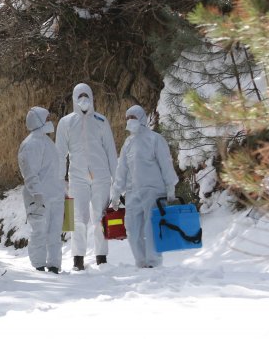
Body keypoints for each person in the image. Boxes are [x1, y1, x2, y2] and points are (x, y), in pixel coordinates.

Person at [55, 83, 118, 270]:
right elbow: (60, 154)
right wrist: (59, 180)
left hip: (101, 176)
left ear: (91, 97)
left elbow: (111, 152)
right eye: (80, 96)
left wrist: (117, 181)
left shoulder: (101, 121)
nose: (83, 99)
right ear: (74, 99)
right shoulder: (66, 122)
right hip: (77, 177)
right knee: (78, 219)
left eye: (86, 96)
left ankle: (101, 258)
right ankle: (78, 260)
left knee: (100, 217)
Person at [110, 105, 178, 268]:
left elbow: (166, 164)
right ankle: (141, 262)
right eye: (127, 118)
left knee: (151, 228)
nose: (129, 121)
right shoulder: (128, 143)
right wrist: (116, 192)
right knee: (132, 229)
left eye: (133, 117)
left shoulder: (155, 139)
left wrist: (170, 187)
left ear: (141, 118)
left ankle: (153, 263)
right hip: (132, 192)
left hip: (154, 191)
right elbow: (122, 169)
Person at [18, 106, 65, 273]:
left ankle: (54, 265)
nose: (49, 121)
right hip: (39, 197)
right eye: (47, 118)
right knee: (39, 231)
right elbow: (30, 172)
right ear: (38, 120)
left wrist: (62, 190)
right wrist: (36, 194)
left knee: (54, 233)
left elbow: (54, 171)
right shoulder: (31, 144)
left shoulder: (46, 142)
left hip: (55, 195)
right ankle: (39, 267)